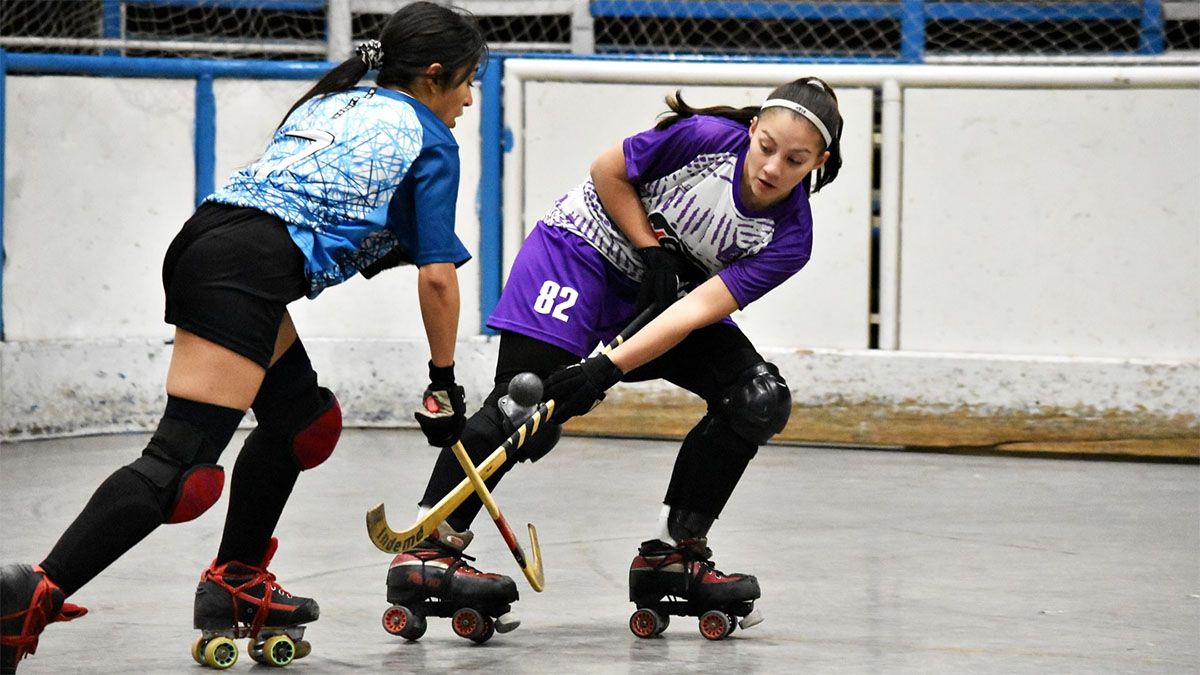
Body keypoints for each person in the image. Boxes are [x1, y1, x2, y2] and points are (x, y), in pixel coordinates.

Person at [0, 2, 487, 671]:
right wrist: (443, 383)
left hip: (218, 242)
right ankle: (31, 595)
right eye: (467, 79)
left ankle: (237, 577)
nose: (470, 96)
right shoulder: (430, 135)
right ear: (435, 75)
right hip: (244, 266)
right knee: (181, 469)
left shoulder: (341, 99)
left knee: (303, 422)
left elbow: (349, 215)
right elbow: (437, 278)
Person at [391, 77, 843, 635]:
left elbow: (695, 312)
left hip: (666, 303)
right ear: (752, 129)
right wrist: (650, 250)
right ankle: (427, 550)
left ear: (817, 162)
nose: (772, 168)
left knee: (757, 399)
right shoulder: (704, 139)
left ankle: (671, 555)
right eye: (766, 146)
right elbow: (607, 171)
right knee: (524, 403)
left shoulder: (790, 237)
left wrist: (605, 368)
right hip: (581, 252)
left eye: (794, 161)